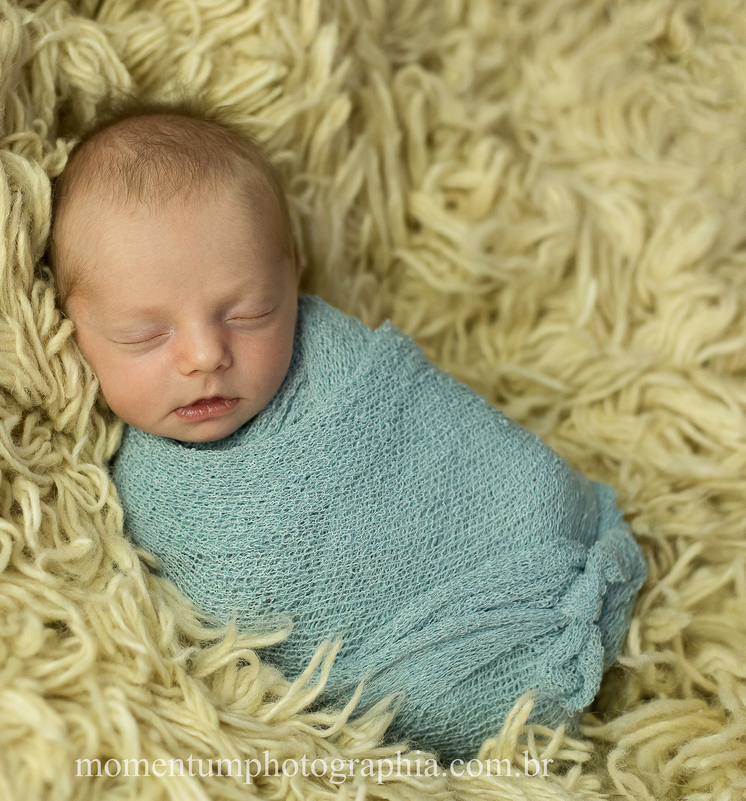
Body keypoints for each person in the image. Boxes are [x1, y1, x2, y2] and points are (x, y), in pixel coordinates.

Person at [50, 97, 647, 761]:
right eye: (146, 334)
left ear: (293, 274)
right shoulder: (121, 489)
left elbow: (450, 448)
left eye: (248, 313)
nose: (204, 355)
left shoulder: (338, 364)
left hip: (539, 553)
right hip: (417, 676)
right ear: (71, 325)